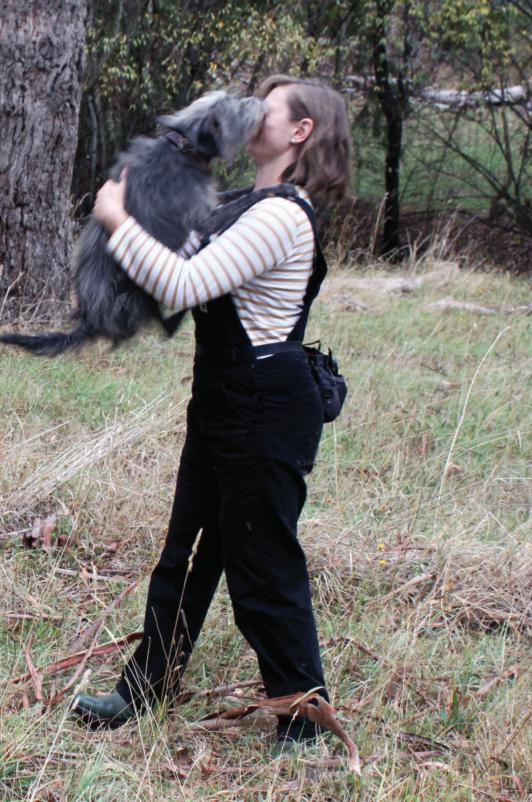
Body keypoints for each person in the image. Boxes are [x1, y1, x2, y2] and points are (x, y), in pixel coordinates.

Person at [73, 75, 353, 754]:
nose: (250, 113)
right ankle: (145, 687)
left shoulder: (282, 216)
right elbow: (174, 262)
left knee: (262, 567)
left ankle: (303, 719)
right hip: (225, 394)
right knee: (186, 553)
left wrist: (116, 219)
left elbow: (182, 284)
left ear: (301, 131)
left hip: (265, 404)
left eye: (268, 107)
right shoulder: (242, 204)